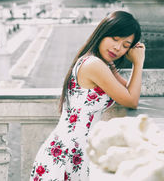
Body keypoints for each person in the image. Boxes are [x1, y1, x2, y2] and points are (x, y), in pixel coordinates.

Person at [30, 11, 145, 181]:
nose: (117, 47)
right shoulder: (94, 64)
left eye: (126, 45)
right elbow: (131, 100)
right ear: (103, 32)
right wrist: (139, 62)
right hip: (66, 155)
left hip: (75, 152)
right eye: (114, 38)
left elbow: (128, 92)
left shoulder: (103, 63)